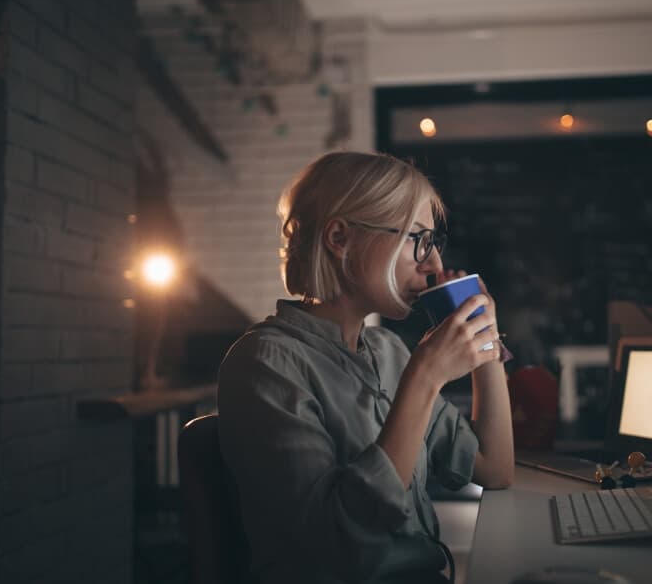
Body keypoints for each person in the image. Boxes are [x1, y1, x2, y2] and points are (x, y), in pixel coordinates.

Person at [218, 151, 514, 584]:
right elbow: (339, 546)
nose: (433, 266)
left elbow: (495, 469)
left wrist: (483, 332)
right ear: (341, 238)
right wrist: (425, 376)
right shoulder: (265, 364)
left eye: (434, 244)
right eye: (417, 240)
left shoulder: (388, 351)